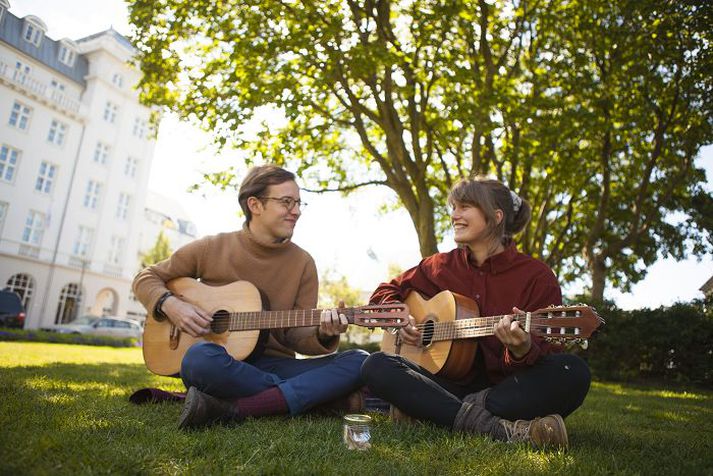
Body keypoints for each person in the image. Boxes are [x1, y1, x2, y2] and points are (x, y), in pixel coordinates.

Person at [360, 176, 591, 450]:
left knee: (572, 371)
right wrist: (401, 320)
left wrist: (521, 349)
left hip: (503, 392)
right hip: (447, 383)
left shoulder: (537, 277)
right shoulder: (440, 265)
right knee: (376, 365)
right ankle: (497, 429)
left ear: (496, 216)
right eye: (453, 207)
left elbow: (545, 357)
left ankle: (432, 410)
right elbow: (386, 291)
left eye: (465, 206)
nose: (455, 215)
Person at [133, 165, 368, 429]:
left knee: (360, 361)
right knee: (199, 358)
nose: (297, 211)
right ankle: (315, 397)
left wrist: (324, 333)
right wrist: (171, 305)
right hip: (220, 363)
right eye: (286, 202)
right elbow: (146, 278)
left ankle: (242, 405)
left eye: (299, 203)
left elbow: (296, 336)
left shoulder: (303, 263)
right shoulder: (213, 247)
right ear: (255, 205)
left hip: (274, 367)